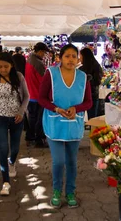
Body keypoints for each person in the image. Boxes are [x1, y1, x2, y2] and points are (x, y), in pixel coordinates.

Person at [38, 44, 92, 208]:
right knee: (59, 161)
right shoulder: (51, 74)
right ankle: (56, 191)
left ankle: (70, 192)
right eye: (67, 56)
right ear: (60, 58)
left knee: (71, 162)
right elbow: (41, 98)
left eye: (74, 56)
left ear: (78, 59)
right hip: (55, 123)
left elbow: (89, 102)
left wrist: (77, 109)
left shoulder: (83, 77)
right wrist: (56, 108)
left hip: (74, 125)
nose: (70, 59)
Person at [0, 52, 29, 196]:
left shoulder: (19, 77)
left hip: (16, 118)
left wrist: (21, 112)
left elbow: (26, 96)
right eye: (0, 66)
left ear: (11, 66)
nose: (3, 69)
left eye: (6, 66)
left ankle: (12, 162)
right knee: (3, 147)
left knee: (14, 149)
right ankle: (6, 182)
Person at [25, 42, 50, 147]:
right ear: (40, 51)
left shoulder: (30, 60)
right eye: (44, 53)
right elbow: (44, 80)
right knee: (38, 120)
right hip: (37, 95)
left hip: (31, 94)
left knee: (32, 118)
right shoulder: (38, 63)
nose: (44, 55)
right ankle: (38, 140)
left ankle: (30, 138)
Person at [79, 47, 103, 119]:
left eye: (80, 56)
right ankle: (92, 129)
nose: (79, 58)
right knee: (92, 117)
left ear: (85, 56)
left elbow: (97, 81)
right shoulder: (96, 66)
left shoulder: (85, 68)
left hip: (87, 95)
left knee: (85, 116)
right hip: (91, 95)